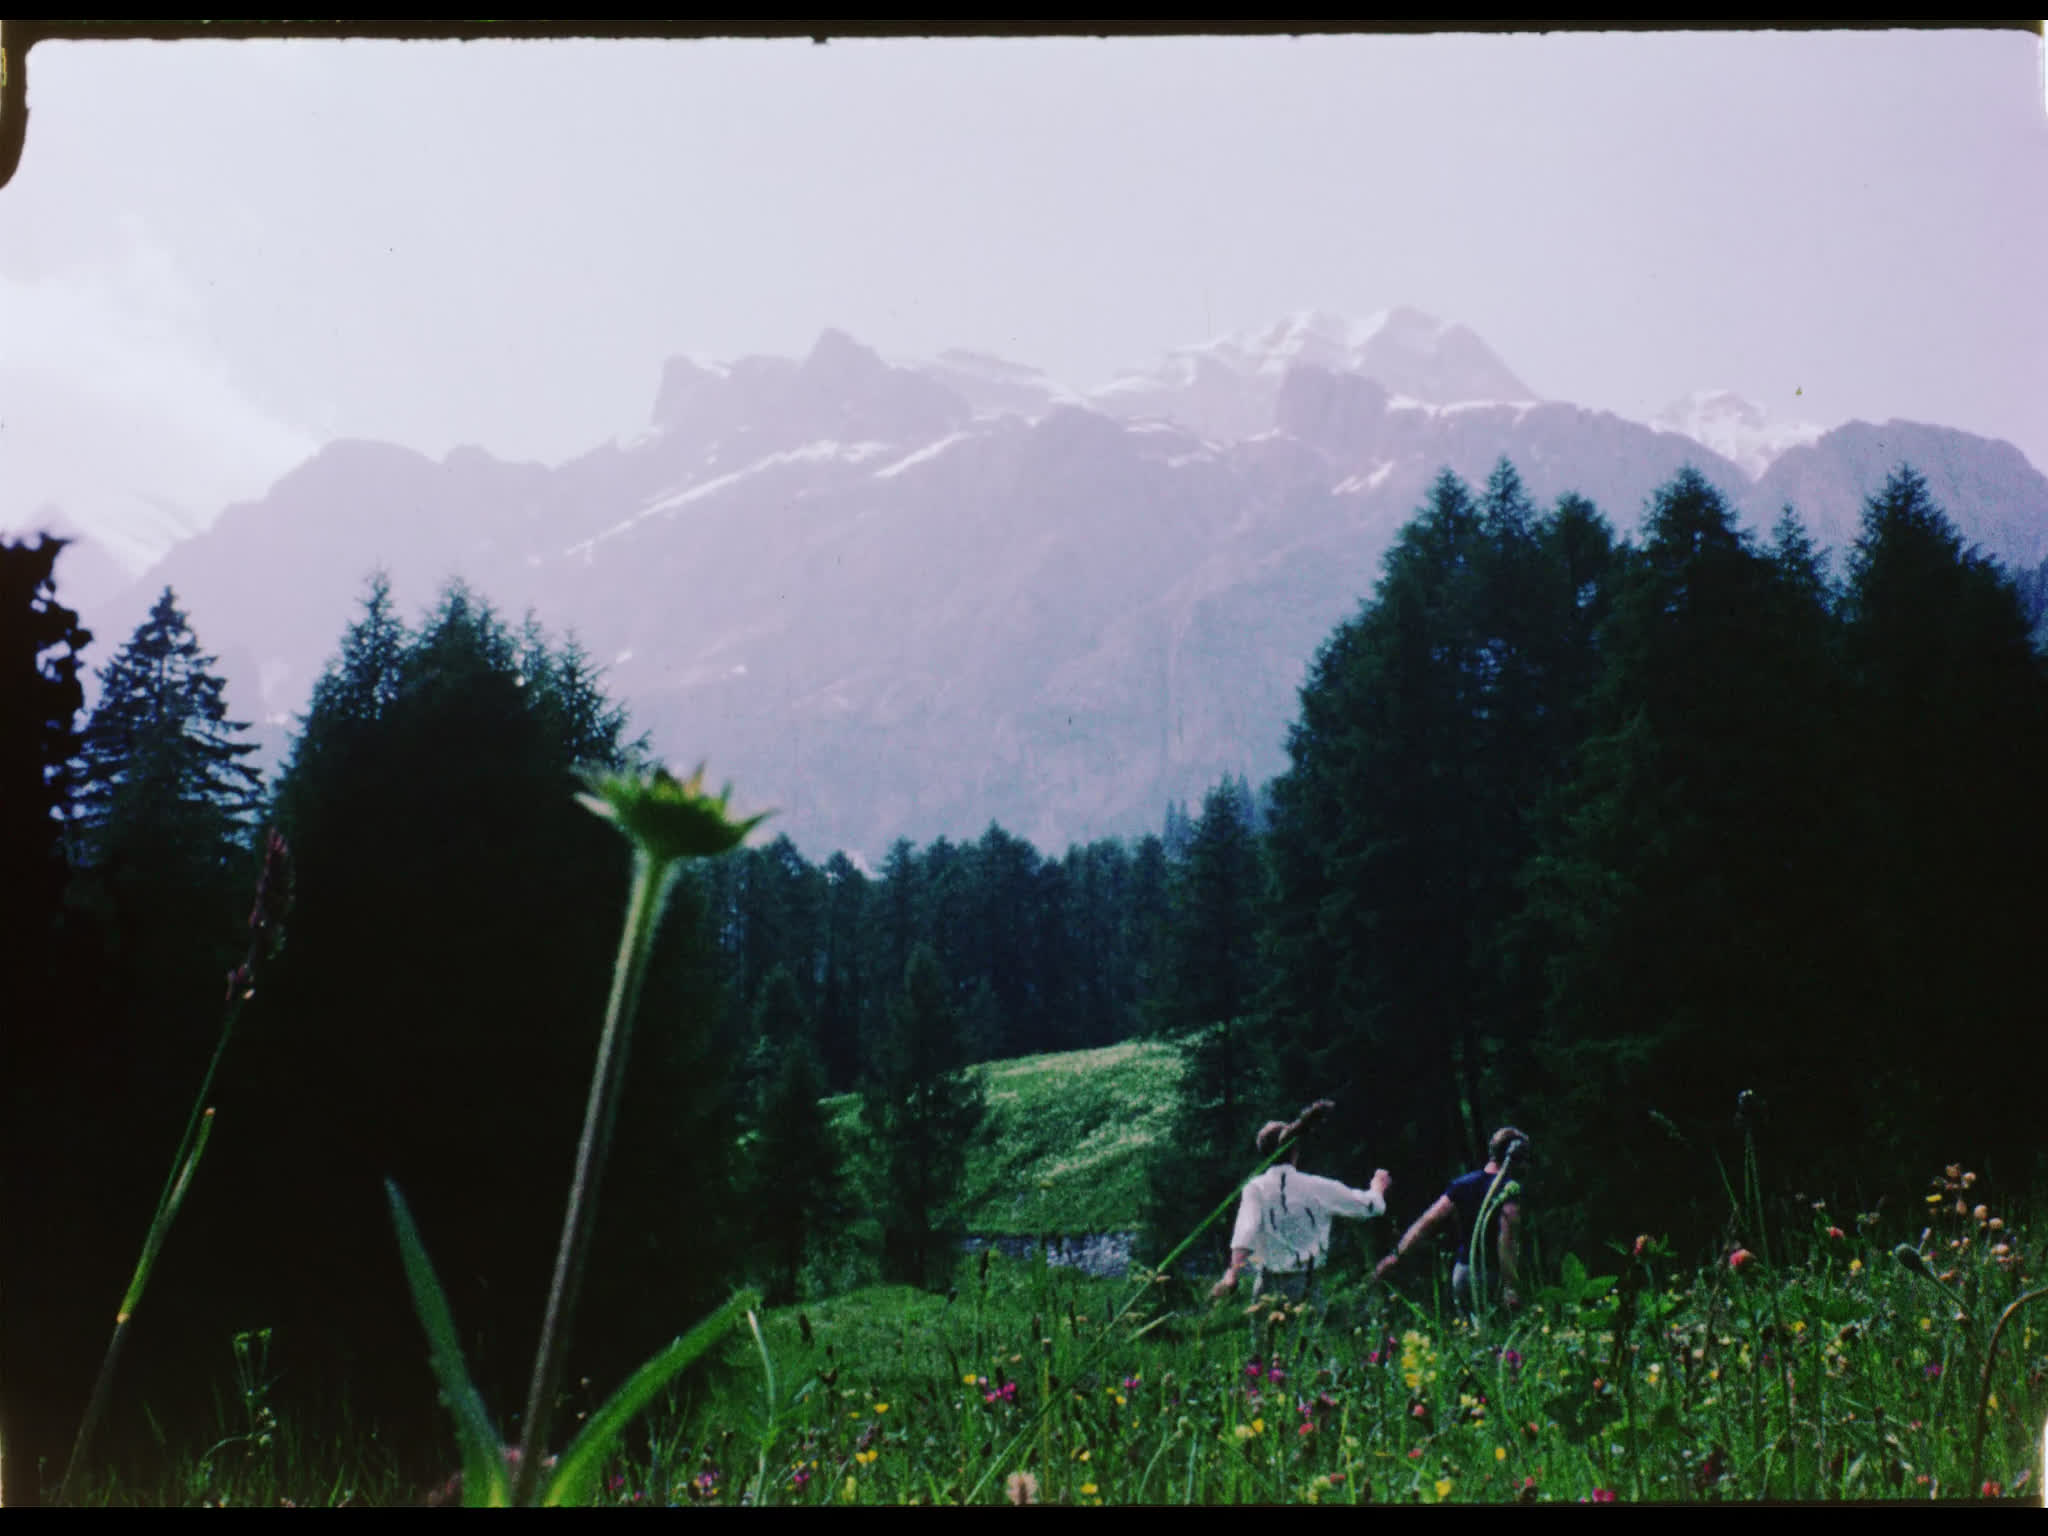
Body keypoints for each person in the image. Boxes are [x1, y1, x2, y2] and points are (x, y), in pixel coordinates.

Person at [1209, 1100, 1393, 1311]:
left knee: (1269, 1344)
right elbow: (1370, 1207)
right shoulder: (1317, 1187)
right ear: (1295, 1150)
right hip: (1307, 1286)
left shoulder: (1255, 1189)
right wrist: (1377, 1186)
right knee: (1304, 1341)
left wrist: (1232, 1274)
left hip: (1266, 1287)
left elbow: (1245, 1233)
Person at [1374, 1126, 1528, 1311]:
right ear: (1516, 1158)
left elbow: (1427, 1221)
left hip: (1463, 1273)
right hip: (1491, 1276)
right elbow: (1507, 1239)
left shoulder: (1462, 1185)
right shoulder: (1508, 1189)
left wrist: (1396, 1255)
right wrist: (1510, 1286)